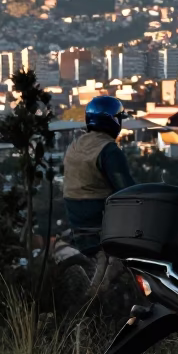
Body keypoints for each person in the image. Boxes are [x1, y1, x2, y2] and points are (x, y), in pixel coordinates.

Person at [62, 95, 135, 289]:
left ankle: (93, 300)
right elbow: (128, 191)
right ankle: (98, 301)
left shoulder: (75, 145)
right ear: (113, 121)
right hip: (100, 222)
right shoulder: (109, 150)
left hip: (77, 221)